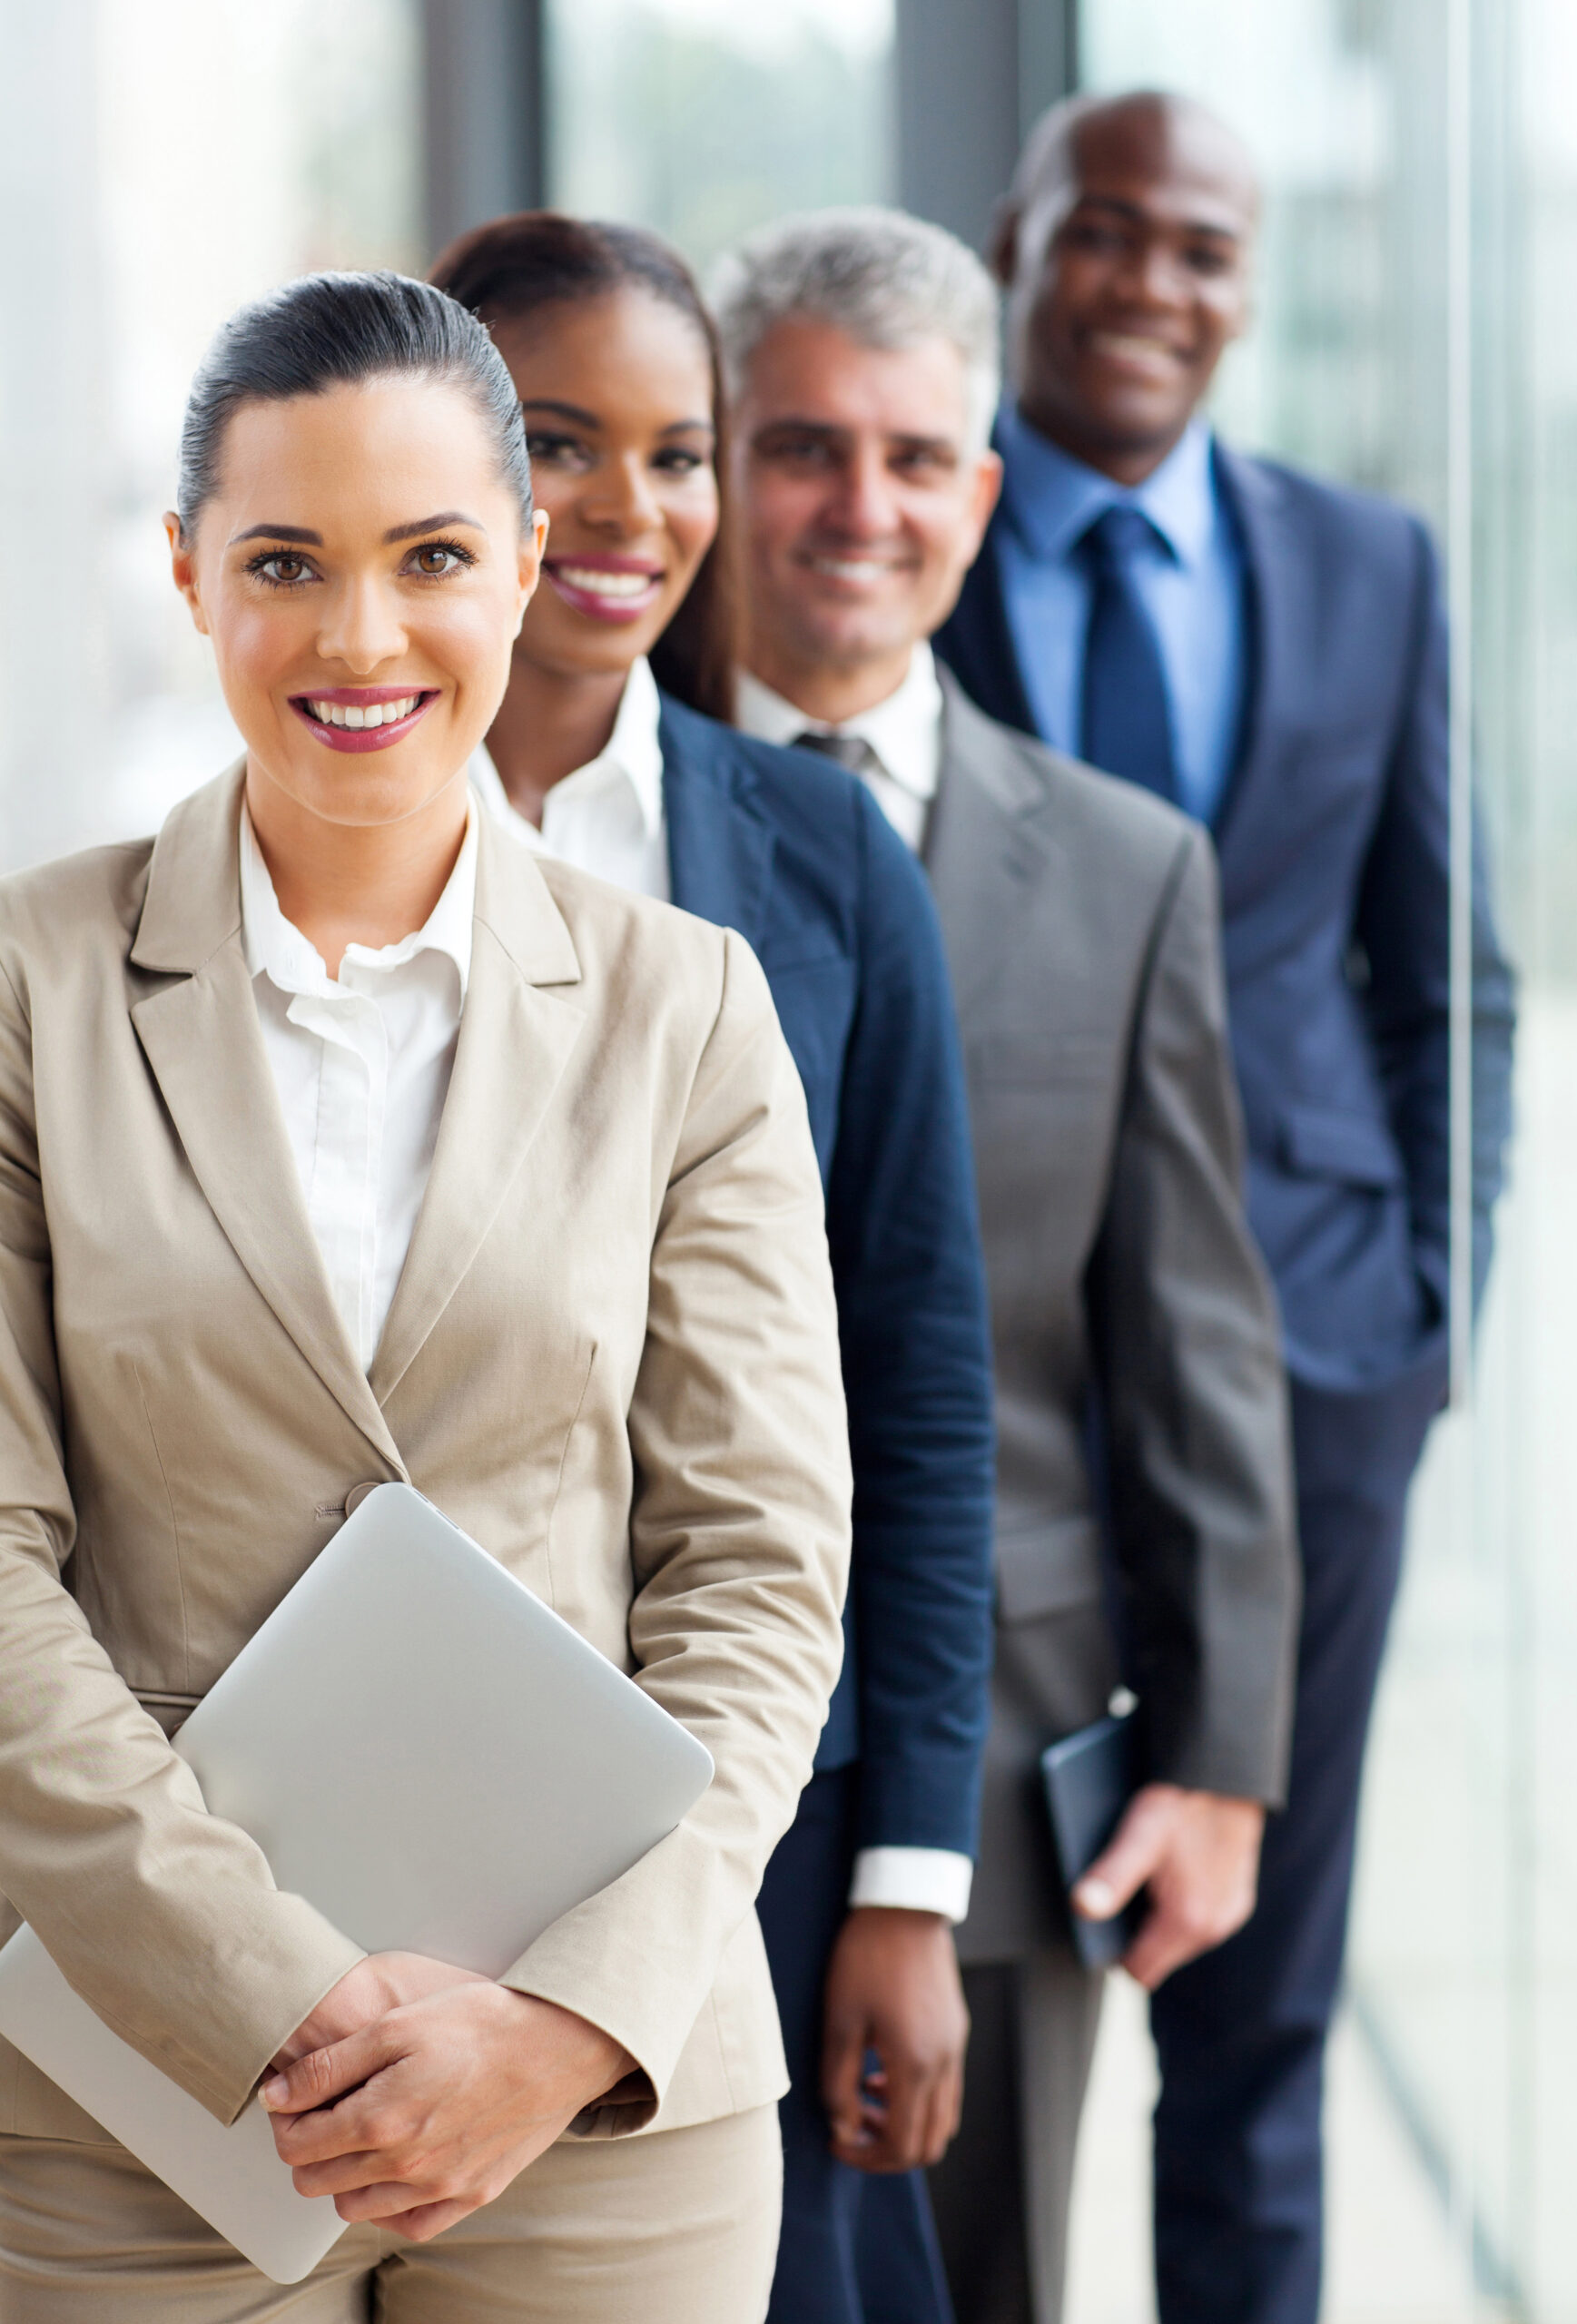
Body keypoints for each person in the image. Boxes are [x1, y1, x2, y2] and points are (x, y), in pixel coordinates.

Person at [0, 269, 855, 2323]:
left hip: (600, 2094)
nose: (360, 637)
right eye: (285, 560)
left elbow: (758, 1573)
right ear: (189, 572)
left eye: (433, 558)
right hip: (135, 2088)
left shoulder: (687, 1006)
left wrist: (553, 2024)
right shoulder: (27, 989)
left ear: (531, 568)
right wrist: (271, 1990)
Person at [934, 93, 1517, 2324]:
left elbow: (1440, 969)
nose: (1150, 286)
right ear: (1015, 243)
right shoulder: (904, 528)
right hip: (990, 1385)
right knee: (972, 2006)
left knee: (1260, 2021)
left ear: (1242, 284)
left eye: (1199, 249)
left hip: (1312, 1378)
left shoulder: (1368, 563)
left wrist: (1426, 1308)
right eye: (1106, 234)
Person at [712, 205, 1300, 2324]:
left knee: (988, 2286)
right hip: (657, 1743)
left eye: (908, 456)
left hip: (999, 1744)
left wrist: (1221, 1757)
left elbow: (1194, 1349)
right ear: (714, 458)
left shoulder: (1129, 869)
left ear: (976, 490)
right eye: (795, 446)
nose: (854, 507)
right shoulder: (593, 820)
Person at [428, 215, 996, 2324]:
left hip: (762, 1802)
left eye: (680, 452)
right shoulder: (293, 841)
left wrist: (906, 1880)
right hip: (390, 1784)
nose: (625, 508)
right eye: (549, 437)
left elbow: (917, 1379)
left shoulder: (820, 858)